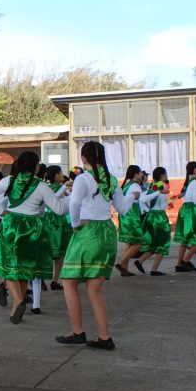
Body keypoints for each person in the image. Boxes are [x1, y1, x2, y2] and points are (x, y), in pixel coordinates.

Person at [55, 141, 133, 350]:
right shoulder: (112, 180)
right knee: (94, 289)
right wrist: (133, 197)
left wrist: (74, 224)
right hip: (107, 232)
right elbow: (124, 209)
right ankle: (104, 337)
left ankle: (77, 332)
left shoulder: (83, 178)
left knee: (69, 281)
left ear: (84, 158)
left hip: (88, 232)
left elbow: (74, 203)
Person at [0, 151, 68, 324]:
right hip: (33, 227)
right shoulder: (41, 185)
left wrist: (1, 212)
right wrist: (73, 201)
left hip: (12, 224)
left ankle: (19, 302)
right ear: (35, 166)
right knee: (24, 269)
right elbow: (59, 210)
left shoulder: (10, 180)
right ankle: (16, 307)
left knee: (9, 266)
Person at [134, 167, 172, 276]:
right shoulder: (162, 186)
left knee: (155, 243)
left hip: (151, 215)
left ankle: (140, 261)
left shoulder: (152, 185)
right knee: (163, 244)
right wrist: (173, 198)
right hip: (159, 217)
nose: (167, 176)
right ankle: (154, 269)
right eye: (165, 175)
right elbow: (163, 205)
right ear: (161, 176)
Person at [173, 162, 196, 272]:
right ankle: (185, 261)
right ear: (195, 170)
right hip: (192, 210)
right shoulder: (195, 183)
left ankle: (179, 263)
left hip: (185, 209)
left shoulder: (189, 182)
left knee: (185, 240)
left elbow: (187, 195)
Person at [42, 165, 72, 290]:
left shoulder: (47, 186)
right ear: (56, 175)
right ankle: (45, 279)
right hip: (54, 221)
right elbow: (54, 199)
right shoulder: (49, 187)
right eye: (60, 173)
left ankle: (53, 280)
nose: (62, 175)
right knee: (53, 252)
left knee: (57, 253)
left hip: (55, 220)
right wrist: (66, 186)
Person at [114, 165, 144, 277]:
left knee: (129, 242)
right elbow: (142, 199)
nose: (142, 175)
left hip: (125, 215)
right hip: (132, 216)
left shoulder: (127, 185)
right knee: (138, 243)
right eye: (140, 172)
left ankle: (124, 269)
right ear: (136, 174)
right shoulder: (135, 185)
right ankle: (121, 264)